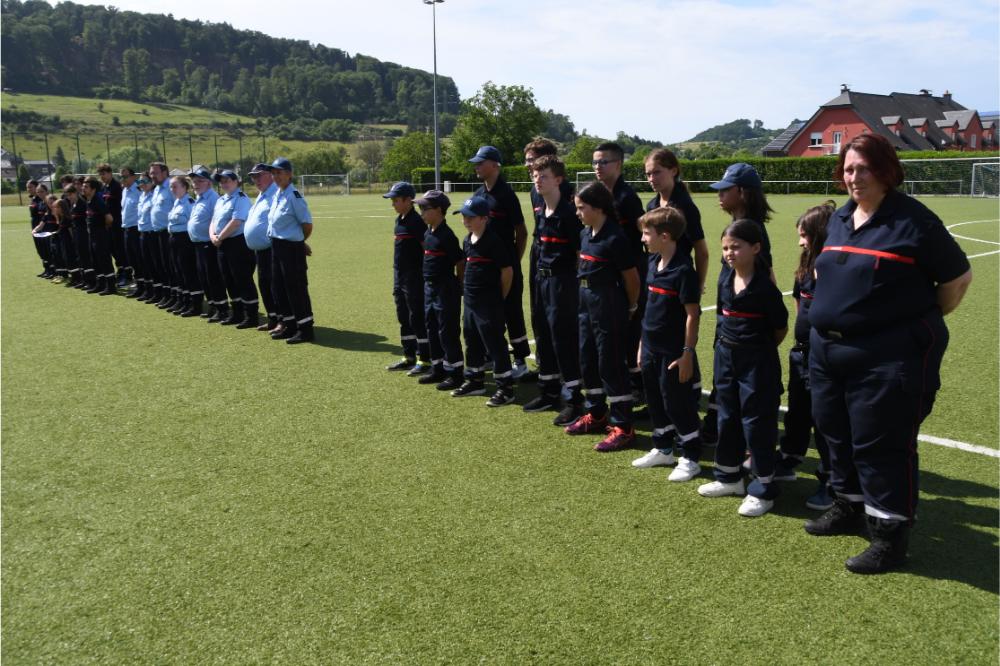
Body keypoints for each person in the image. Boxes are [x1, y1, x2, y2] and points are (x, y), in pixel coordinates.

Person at [804, 133, 972, 574]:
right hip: (829, 352)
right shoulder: (841, 217)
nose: (854, 177)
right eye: (848, 169)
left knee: (882, 445)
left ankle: (889, 538)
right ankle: (849, 505)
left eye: (863, 168)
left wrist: (911, 318)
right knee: (835, 434)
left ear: (885, 170)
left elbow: (957, 280)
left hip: (885, 355)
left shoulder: (914, 221)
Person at [697, 220, 788, 517]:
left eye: (736, 247)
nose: (729, 253)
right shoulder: (725, 279)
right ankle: (729, 477)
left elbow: (779, 329)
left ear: (756, 248)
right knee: (727, 416)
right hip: (726, 358)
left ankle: (762, 489)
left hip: (757, 363)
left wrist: (755, 350)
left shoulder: (765, 289)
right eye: (725, 248)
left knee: (757, 422)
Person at [702, 162, 776, 444]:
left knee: (737, 384)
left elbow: (765, 279)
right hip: (729, 319)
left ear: (743, 192)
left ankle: (731, 436)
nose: (719, 195)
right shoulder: (740, 226)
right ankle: (715, 426)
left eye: (726, 190)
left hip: (741, 326)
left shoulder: (752, 231)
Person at [564, 182, 640, 452]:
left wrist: (630, 306)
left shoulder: (615, 238)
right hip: (585, 300)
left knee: (611, 363)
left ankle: (623, 426)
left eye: (581, 208)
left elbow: (631, 278)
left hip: (607, 302)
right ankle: (596, 413)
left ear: (598, 208)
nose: (577, 213)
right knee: (587, 359)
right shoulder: (585, 234)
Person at [631, 206, 703, 482]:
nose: (642, 239)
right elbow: (649, 309)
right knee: (655, 400)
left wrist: (687, 354)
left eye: (646, 234)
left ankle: (690, 457)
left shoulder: (683, 270)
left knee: (677, 404)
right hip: (650, 347)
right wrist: (642, 344)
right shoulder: (652, 263)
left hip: (673, 351)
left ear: (665, 236)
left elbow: (692, 315)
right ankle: (663, 449)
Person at [778, 204, 835, 510]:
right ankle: (789, 457)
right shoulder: (805, 266)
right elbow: (799, 304)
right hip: (801, 353)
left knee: (825, 420)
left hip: (825, 357)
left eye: (805, 235)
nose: (800, 242)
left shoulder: (834, 269)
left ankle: (831, 480)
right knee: (798, 410)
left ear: (820, 234)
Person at [522, 155, 584, 426]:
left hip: (563, 282)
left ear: (558, 180)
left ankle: (574, 400)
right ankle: (548, 392)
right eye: (535, 175)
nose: (538, 180)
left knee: (563, 338)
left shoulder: (569, 215)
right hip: (542, 280)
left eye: (544, 176)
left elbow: (580, 255)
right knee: (543, 333)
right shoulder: (541, 211)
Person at [469, 146, 533, 379]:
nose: (476, 166)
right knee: (487, 313)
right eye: (476, 162)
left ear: (495, 165)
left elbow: (521, 232)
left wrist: (513, 260)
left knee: (511, 312)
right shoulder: (478, 194)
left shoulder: (506, 195)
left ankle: (520, 361)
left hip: (506, 267)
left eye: (481, 162)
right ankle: (491, 356)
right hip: (484, 268)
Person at [593, 142, 646, 403]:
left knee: (631, 331)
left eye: (604, 162)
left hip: (629, 272)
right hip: (609, 274)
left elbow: (641, 237)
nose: (598, 167)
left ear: (618, 164)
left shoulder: (627, 198)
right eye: (595, 162)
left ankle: (638, 386)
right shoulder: (600, 195)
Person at [451, 196, 516, 407]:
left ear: (484, 218)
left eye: (470, 217)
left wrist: (499, 298)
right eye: (463, 216)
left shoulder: (493, 242)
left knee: (495, 344)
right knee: (471, 341)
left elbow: (507, 271)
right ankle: (475, 381)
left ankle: (506, 388)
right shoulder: (467, 240)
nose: (466, 221)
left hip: (488, 304)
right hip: (470, 302)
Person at [414, 189, 465, 390]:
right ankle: (438, 368)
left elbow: (460, 262)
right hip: (430, 289)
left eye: (425, 208)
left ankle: (456, 373)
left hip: (445, 289)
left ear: (438, 210)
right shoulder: (428, 233)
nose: (422, 213)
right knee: (432, 328)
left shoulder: (447, 235)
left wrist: (459, 285)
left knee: (447, 331)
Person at [644, 148, 709, 293]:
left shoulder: (685, 208)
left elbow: (702, 251)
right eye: (648, 174)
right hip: (655, 275)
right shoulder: (652, 206)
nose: (651, 179)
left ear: (673, 171)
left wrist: (699, 284)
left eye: (657, 172)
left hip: (677, 279)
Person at [383, 181, 431, 374]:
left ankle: (425, 359)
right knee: (403, 316)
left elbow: (426, 248)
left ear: (408, 200)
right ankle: (408, 356)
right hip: (400, 275)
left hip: (414, 276)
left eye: (396, 200)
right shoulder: (400, 220)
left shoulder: (416, 222)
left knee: (417, 316)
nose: (392, 203)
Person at [266, 157, 315, 344]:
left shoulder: (294, 196)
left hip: (290, 249)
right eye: (273, 173)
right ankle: (290, 325)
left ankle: (305, 329)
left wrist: (299, 242)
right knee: (279, 287)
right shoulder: (278, 194)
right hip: (277, 246)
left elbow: (307, 224)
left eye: (279, 172)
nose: (276, 176)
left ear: (289, 174)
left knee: (296, 289)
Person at [210, 169, 259, 328]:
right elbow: (213, 220)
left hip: (238, 244)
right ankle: (237, 313)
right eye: (221, 181)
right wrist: (213, 235)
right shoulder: (221, 200)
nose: (224, 184)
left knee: (243, 279)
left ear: (236, 181)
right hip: (222, 243)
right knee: (228, 279)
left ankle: (251, 316)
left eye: (227, 180)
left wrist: (219, 237)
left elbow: (236, 222)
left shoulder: (241, 198)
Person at [243, 163, 280, 331]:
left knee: (275, 286)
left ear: (270, 175)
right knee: (265, 285)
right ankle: (273, 318)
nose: (256, 180)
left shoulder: (276, 194)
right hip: (260, 251)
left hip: (273, 249)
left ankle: (283, 320)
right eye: (253, 177)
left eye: (259, 175)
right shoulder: (262, 194)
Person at [186, 165, 224, 320]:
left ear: (209, 182)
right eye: (194, 181)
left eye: (200, 181)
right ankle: (213, 305)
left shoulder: (213, 198)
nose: (196, 184)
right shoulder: (199, 198)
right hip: (198, 245)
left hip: (209, 244)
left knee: (213, 277)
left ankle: (221, 308)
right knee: (204, 277)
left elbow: (217, 221)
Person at [166, 175, 198, 316]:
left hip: (185, 240)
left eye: (175, 186)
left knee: (188, 272)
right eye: (171, 187)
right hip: (174, 239)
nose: (172, 189)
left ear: (184, 187)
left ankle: (195, 305)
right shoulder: (177, 202)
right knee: (178, 271)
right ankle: (184, 301)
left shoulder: (189, 203)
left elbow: (192, 223)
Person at [81, 176, 117, 296]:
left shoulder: (98, 201)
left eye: (86, 187)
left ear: (93, 189)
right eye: (83, 186)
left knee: (104, 260)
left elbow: (109, 218)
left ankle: (111, 286)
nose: (83, 188)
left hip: (100, 236)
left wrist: (102, 228)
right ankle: (101, 284)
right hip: (92, 236)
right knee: (95, 261)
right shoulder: (89, 200)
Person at [97, 163, 128, 287]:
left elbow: (120, 206)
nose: (102, 176)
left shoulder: (117, 187)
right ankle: (120, 271)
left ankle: (126, 274)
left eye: (104, 174)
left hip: (117, 224)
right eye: (100, 174)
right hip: (108, 225)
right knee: (113, 249)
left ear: (110, 173)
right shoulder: (104, 187)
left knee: (120, 250)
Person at [148, 162, 174, 307]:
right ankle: (167, 294)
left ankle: (175, 296)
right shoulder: (157, 188)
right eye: (151, 173)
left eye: (155, 173)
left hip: (168, 233)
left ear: (164, 173)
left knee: (170, 266)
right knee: (161, 265)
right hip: (156, 233)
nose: (152, 176)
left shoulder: (171, 187)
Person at [120, 168, 145, 299]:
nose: (123, 179)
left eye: (125, 176)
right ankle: (139, 285)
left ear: (133, 177)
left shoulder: (139, 190)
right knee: (132, 260)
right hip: (127, 229)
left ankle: (144, 287)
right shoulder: (124, 190)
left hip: (136, 229)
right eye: (121, 177)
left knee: (140, 260)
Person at [135, 174, 157, 301]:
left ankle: (157, 292)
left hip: (152, 233)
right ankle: (149, 290)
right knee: (145, 263)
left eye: (144, 181)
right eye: (139, 181)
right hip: (142, 233)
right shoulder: (142, 195)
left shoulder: (154, 195)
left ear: (151, 182)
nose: (141, 184)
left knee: (153, 264)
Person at [65, 183, 92, 290]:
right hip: (77, 234)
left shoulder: (82, 203)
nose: (69, 197)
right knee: (80, 257)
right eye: (67, 195)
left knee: (85, 257)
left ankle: (90, 281)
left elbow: (87, 220)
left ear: (76, 193)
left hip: (83, 234)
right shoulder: (73, 205)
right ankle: (84, 280)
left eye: (71, 194)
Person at [27, 180, 52, 278]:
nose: (28, 189)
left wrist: (40, 227)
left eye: (30, 187)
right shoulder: (34, 199)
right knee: (40, 249)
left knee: (47, 249)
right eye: (27, 187)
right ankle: (47, 269)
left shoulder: (44, 200)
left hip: (43, 227)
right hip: (36, 227)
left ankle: (52, 270)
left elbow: (43, 216)